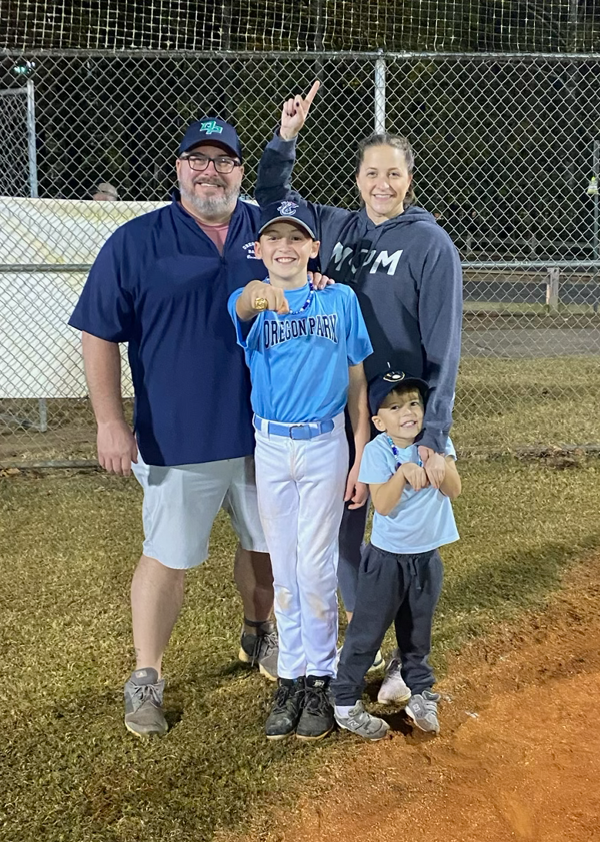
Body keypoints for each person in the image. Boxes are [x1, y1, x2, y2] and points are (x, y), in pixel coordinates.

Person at [69, 117, 279, 738]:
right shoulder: (136, 241)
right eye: (198, 159)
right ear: (179, 168)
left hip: (267, 430)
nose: (210, 170)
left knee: (265, 545)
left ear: (241, 172)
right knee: (168, 556)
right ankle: (147, 674)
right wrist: (110, 421)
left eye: (224, 160)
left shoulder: (270, 234)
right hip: (178, 433)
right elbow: (98, 333)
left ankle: (259, 634)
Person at [255, 82, 463, 670]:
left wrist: (429, 435)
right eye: (372, 173)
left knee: (403, 539)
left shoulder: (430, 244)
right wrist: (286, 139)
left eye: (393, 174)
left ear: (409, 180)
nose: (382, 185)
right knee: (348, 526)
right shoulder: (338, 230)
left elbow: (444, 346)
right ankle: (359, 634)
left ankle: (406, 654)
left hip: (402, 418)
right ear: (358, 178)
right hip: (346, 411)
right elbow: (275, 205)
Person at [228, 200, 372, 741]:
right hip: (270, 446)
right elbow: (244, 304)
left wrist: (360, 453)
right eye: (273, 240)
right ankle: (290, 675)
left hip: (323, 445)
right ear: (259, 250)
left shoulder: (339, 298)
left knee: (314, 570)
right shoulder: (251, 299)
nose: (284, 247)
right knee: (284, 570)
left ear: (314, 248)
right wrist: (261, 294)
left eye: (296, 239)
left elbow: (356, 376)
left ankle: (320, 675)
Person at [332, 371, 461, 740]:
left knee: (417, 634)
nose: (408, 412)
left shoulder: (436, 442)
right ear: (378, 420)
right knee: (366, 633)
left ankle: (420, 694)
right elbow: (384, 506)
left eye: (414, 403)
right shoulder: (377, 451)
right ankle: (344, 701)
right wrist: (403, 474)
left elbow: (454, 489)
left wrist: (441, 462)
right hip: (386, 562)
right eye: (395, 406)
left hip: (426, 559)